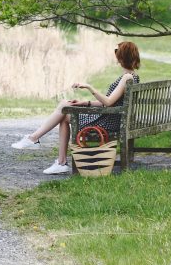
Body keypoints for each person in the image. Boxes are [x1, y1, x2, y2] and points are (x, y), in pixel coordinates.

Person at [11, 40, 141, 175]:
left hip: (109, 122)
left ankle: (38, 142)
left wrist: (90, 87)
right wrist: (85, 103)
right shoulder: (132, 77)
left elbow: (108, 103)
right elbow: (111, 104)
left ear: (121, 57)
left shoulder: (126, 77)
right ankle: (50, 153)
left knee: (64, 109)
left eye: (117, 53)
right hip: (113, 117)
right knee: (65, 107)